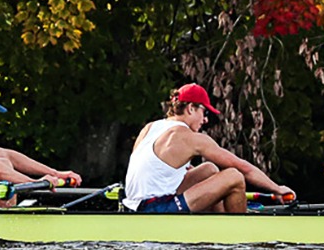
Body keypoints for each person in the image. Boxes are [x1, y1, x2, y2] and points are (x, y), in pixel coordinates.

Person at [122, 83, 293, 213]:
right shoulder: (191, 138)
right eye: (205, 112)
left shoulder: (150, 128)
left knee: (209, 170)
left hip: (132, 206)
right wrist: (277, 189)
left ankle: (219, 225)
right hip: (153, 210)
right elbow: (243, 168)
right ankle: (240, 237)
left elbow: (147, 170)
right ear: (190, 109)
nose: (205, 120)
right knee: (234, 176)